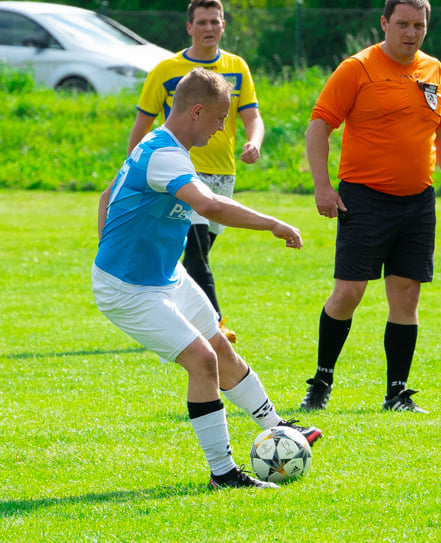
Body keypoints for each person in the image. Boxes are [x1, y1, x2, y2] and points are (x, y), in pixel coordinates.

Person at [93, 67, 321, 490]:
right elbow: (210, 206)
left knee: (218, 344)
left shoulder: (160, 146)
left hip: (165, 276)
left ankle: (279, 430)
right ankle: (224, 474)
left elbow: (107, 195)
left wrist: (119, 243)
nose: (221, 129)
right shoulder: (165, 155)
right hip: (129, 289)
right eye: (219, 119)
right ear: (196, 111)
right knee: (203, 361)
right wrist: (273, 223)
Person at [298, 0, 441, 414]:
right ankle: (321, 381)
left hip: (417, 202)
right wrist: (323, 186)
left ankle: (397, 393)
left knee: (406, 296)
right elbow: (319, 125)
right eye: (403, 24)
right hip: (364, 199)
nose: (411, 33)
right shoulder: (357, 68)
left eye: (419, 26)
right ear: (384, 23)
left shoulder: (434, 70)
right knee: (349, 292)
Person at [127, 0, 264, 344]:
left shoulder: (237, 67)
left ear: (223, 25)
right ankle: (215, 325)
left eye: (214, 21)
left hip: (224, 174)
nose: (209, 27)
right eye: (201, 22)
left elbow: (252, 116)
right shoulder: (167, 71)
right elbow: (141, 127)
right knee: (198, 252)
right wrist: (131, 170)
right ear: (189, 27)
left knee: (194, 256)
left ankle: (162, 311)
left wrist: (255, 142)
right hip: (182, 172)